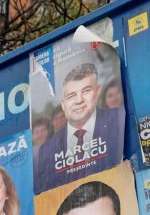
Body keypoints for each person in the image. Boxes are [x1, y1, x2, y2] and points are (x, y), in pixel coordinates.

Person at [34, 63, 125, 192]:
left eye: (86, 91)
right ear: (63, 104)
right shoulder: (47, 151)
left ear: (98, 91)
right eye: (71, 96)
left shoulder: (120, 119)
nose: (78, 100)